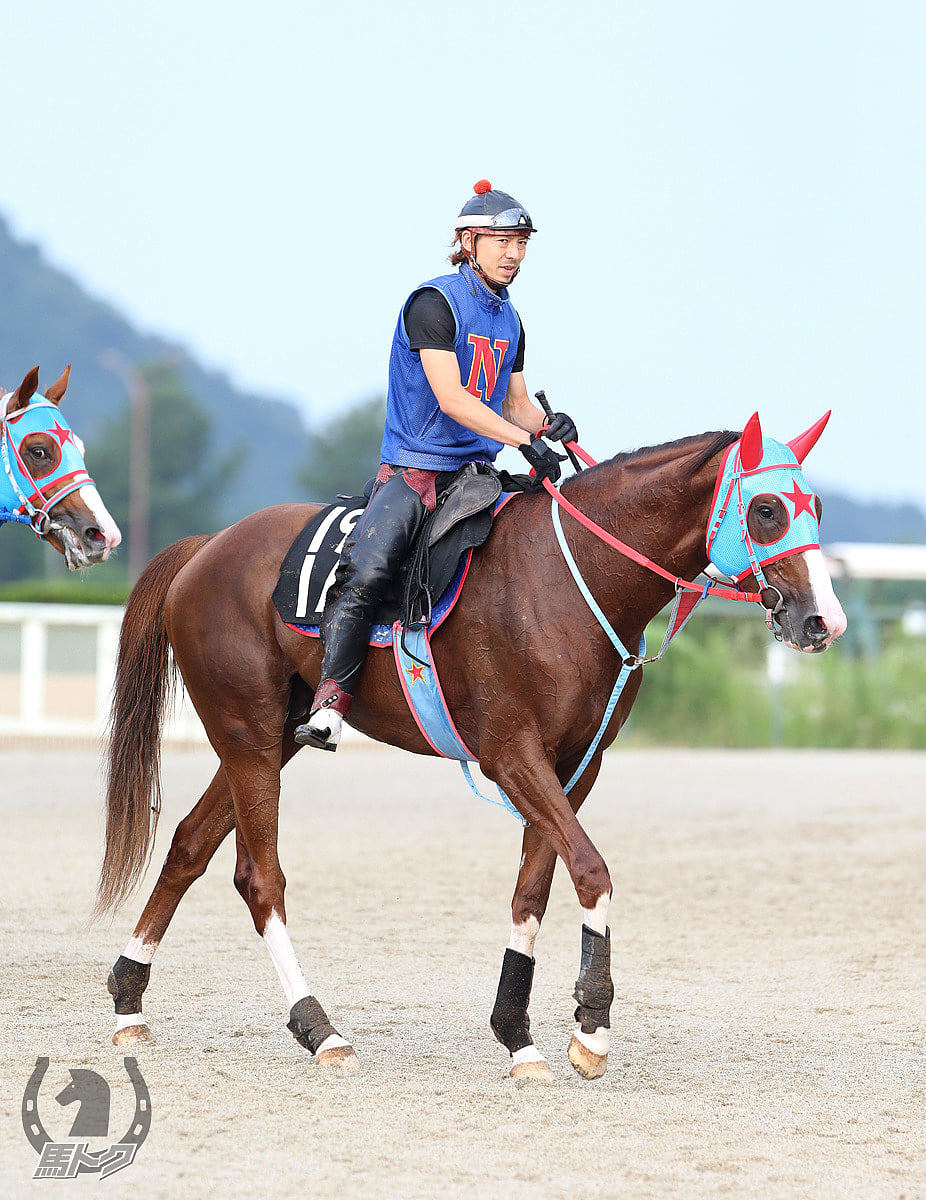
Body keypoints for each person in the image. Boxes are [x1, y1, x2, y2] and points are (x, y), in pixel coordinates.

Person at [294, 180, 579, 750]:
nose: (514, 254)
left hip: (474, 478)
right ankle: (331, 700)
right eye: (503, 240)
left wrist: (548, 428)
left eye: (522, 242)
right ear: (469, 241)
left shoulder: (510, 320)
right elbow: (452, 398)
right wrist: (522, 443)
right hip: (414, 475)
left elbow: (517, 403)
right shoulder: (433, 303)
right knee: (368, 571)